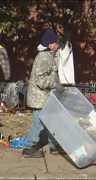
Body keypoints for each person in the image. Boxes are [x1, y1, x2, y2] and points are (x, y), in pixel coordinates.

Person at [22, 29, 65, 158]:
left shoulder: (49, 56)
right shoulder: (44, 57)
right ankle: (28, 147)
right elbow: (40, 80)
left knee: (50, 121)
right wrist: (55, 85)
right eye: (57, 43)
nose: (58, 45)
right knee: (39, 123)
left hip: (44, 97)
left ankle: (53, 146)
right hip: (40, 98)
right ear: (50, 44)